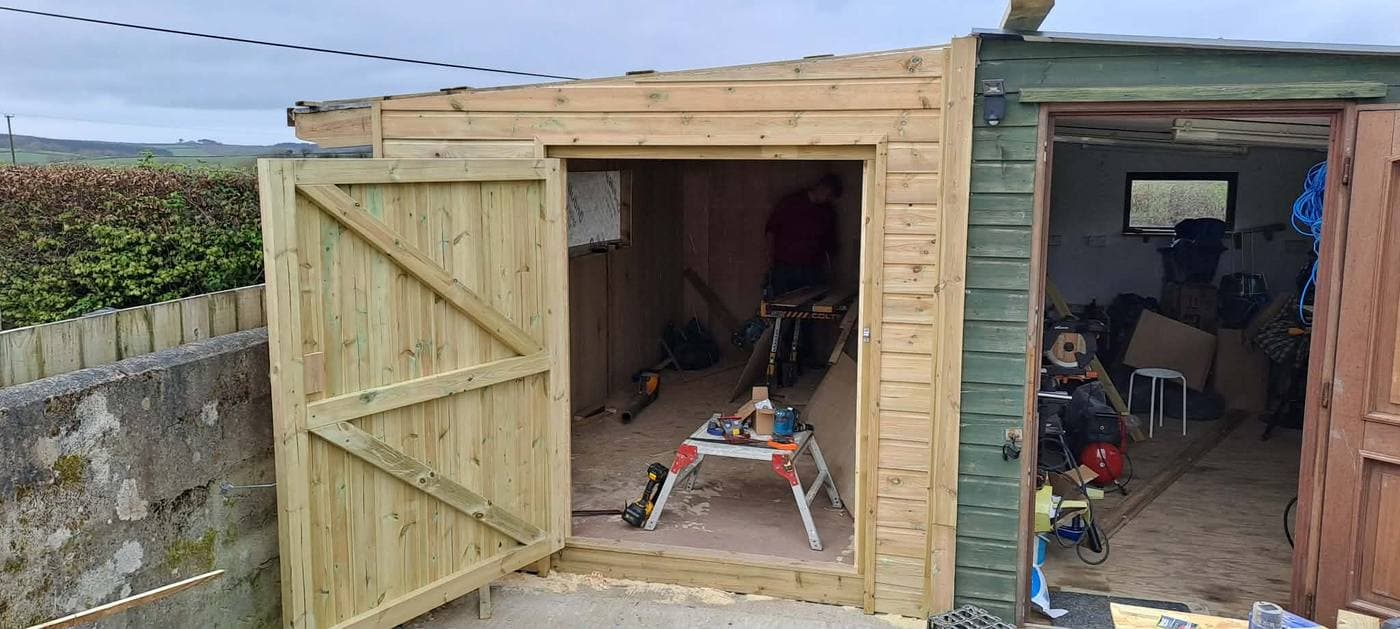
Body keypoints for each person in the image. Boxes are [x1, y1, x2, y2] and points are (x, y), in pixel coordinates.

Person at [764, 174, 842, 297]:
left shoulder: (827, 212)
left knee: (811, 306)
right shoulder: (791, 203)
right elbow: (771, 232)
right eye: (828, 195)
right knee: (782, 305)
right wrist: (770, 263)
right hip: (785, 267)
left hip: (812, 269)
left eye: (830, 197)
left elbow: (830, 246)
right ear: (822, 188)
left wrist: (830, 271)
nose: (828, 199)